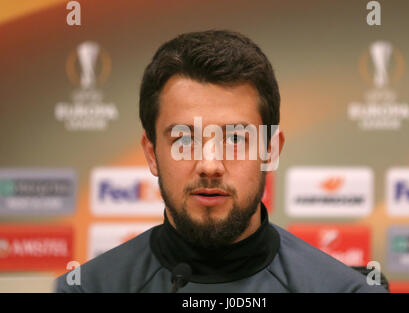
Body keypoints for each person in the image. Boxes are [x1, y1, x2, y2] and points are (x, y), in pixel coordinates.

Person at [55, 30, 387, 293]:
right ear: (151, 153)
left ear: (270, 151)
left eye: (235, 139)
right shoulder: (86, 289)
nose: (210, 165)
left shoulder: (344, 291)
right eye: (184, 139)